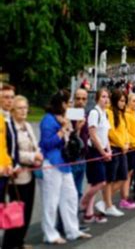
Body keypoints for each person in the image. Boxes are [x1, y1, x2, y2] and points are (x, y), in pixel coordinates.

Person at [39, 90, 91, 244]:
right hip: (52, 163)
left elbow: (70, 141)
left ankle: (72, 230)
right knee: (51, 200)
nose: (70, 105)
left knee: (70, 197)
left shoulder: (64, 119)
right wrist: (62, 130)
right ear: (61, 104)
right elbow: (46, 144)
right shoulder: (48, 120)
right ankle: (50, 234)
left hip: (64, 163)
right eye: (68, 102)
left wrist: (76, 129)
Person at [2, 96, 42, 249]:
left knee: (27, 211)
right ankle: (9, 244)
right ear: (12, 110)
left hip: (30, 174)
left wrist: (37, 155)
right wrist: (33, 157)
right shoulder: (10, 128)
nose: (24, 111)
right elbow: (14, 153)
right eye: (20, 108)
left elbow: (34, 145)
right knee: (15, 212)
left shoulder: (27, 126)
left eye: (25, 107)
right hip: (17, 177)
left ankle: (20, 242)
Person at [81, 89, 111, 222]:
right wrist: (102, 152)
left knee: (93, 182)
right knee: (101, 182)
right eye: (103, 97)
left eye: (107, 97)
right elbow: (93, 135)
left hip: (102, 150)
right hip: (94, 151)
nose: (106, 99)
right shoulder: (94, 112)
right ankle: (83, 202)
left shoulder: (104, 114)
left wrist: (108, 150)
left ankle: (89, 214)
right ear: (98, 99)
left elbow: (105, 135)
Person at [103, 90, 129, 216]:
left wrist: (127, 143)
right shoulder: (109, 112)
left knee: (123, 176)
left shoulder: (121, 113)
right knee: (111, 178)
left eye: (124, 101)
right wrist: (121, 144)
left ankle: (105, 202)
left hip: (122, 148)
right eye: (121, 101)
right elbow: (111, 132)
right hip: (114, 148)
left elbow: (124, 131)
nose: (123, 103)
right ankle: (108, 203)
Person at [120, 93, 135, 209]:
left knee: (129, 174)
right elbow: (127, 133)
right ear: (128, 101)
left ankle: (126, 197)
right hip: (130, 148)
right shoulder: (126, 115)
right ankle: (124, 198)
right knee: (127, 174)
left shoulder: (134, 114)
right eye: (134, 101)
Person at [71, 89, 88, 200]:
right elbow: (70, 137)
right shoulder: (71, 113)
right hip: (73, 157)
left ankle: (74, 214)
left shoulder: (85, 114)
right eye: (78, 98)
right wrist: (78, 128)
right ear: (74, 99)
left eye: (83, 99)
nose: (80, 101)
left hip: (83, 156)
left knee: (78, 190)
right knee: (71, 191)